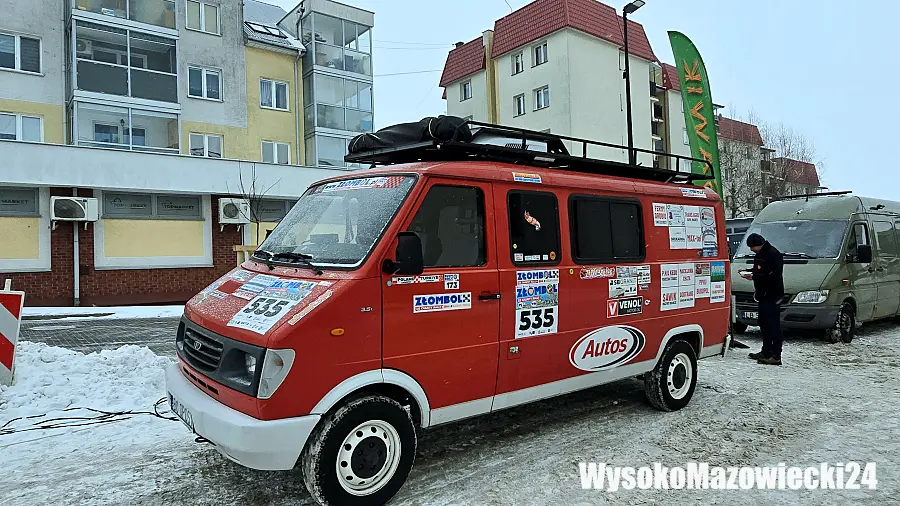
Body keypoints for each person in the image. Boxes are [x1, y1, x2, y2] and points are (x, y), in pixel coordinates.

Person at [745, 233, 785, 365]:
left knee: (773, 325)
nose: (751, 250)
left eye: (752, 247)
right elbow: (760, 269)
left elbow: (773, 276)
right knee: (763, 323)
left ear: (759, 244)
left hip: (773, 294)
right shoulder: (760, 254)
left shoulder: (773, 254)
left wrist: (754, 277)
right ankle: (766, 351)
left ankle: (776, 355)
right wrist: (749, 271)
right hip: (763, 295)